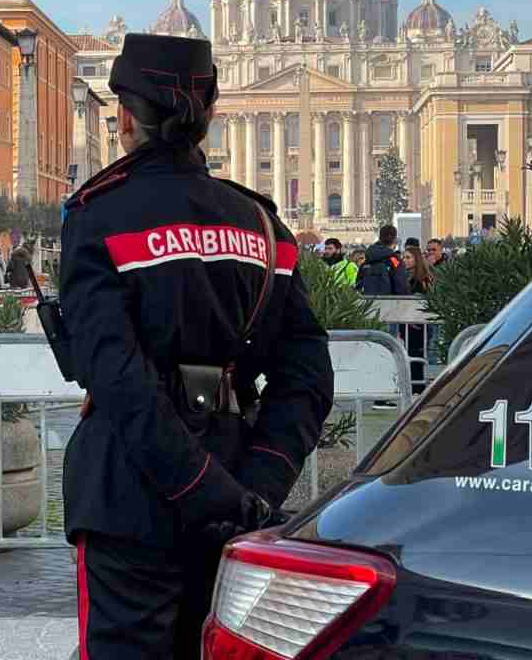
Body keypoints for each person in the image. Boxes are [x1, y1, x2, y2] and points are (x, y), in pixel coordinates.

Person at [60, 33, 335, 660]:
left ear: (125, 116)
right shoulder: (262, 222)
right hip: (239, 487)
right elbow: (309, 378)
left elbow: (119, 379)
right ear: (210, 114)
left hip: (131, 495)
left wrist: (197, 486)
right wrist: (256, 485)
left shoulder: (99, 214)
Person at [357, 224, 411, 296]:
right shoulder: (394, 260)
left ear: (380, 238)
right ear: (394, 240)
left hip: (367, 304)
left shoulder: (368, 259)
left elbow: (358, 285)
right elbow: (400, 286)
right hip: (389, 304)